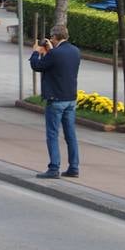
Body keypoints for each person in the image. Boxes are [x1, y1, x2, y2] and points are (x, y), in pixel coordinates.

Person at [29, 25, 81, 180]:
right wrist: (50, 51)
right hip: (70, 99)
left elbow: (37, 66)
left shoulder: (55, 54)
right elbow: (58, 65)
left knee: (52, 134)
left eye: (51, 37)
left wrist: (36, 52)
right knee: (70, 135)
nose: (50, 39)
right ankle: (74, 167)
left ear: (55, 37)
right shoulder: (75, 51)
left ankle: (54, 168)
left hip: (55, 100)